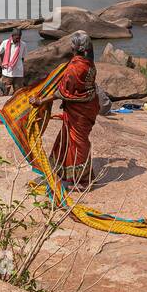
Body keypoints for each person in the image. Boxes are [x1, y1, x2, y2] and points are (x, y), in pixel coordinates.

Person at [32, 30, 99, 189]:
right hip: (89, 107)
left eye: (71, 44)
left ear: (75, 47)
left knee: (77, 142)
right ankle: (67, 174)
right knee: (72, 140)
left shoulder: (75, 68)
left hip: (78, 112)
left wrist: (41, 101)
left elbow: (63, 92)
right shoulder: (89, 63)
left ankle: (83, 181)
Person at [0, 28, 25, 93]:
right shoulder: (5, 42)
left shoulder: (23, 45)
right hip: (7, 72)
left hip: (18, 73)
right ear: (12, 36)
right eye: (17, 37)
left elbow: (23, 58)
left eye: (20, 37)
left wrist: (21, 68)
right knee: (5, 91)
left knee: (18, 92)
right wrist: (1, 64)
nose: (18, 39)